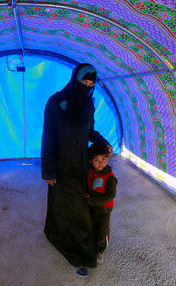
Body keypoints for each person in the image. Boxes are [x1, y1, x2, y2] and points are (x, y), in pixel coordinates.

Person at [41, 63, 112, 277]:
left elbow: (89, 131)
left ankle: (53, 233)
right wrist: (48, 170)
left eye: (91, 83)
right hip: (61, 164)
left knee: (69, 204)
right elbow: (48, 136)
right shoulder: (55, 102)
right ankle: (77, 255)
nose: (87, 86)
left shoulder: (88, 104)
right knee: (73, 209)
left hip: (81, 163)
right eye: (83, 82)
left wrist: (103, 142)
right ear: (75, 80)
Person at [86, 142, 117, 264]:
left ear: (108, 159)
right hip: (92, 206)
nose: (100, 163)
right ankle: (92, 244)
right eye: (96, 160)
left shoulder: (109, 177)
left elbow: (110, 195)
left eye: (104, 159)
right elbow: (90, 184)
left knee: (102, 230)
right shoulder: (91, 171)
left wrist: (93, 200)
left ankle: (100, 250)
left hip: (104, 209)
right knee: (92, 225)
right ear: (90, 161)